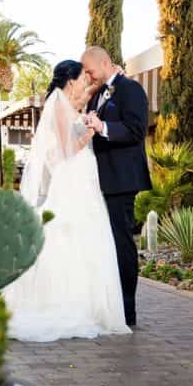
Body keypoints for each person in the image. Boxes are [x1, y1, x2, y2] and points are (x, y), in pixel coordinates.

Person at [2, 59, 132, 342]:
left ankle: (83, 301)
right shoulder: (58, 106)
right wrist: (89, 132)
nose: (85, 83)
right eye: (82, 78)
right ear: (71, 81)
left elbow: (85, 100)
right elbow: (65, 150)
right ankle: (67, 301)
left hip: (80, 177)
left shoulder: (60, 102)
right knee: (72, 234)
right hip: (71, 176)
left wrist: (109, 78)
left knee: (81, 236)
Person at [80, 46, 152, 327]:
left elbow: (136, 129)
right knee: (105, 243)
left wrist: (103, 128)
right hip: (100, 179)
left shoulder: (130, 89)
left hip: (122, 180)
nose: (87, 75)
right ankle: (109, 305)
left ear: (105, 63)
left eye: (90, 70)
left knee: (121, 243)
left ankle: (126, 310)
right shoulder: (97, 94)